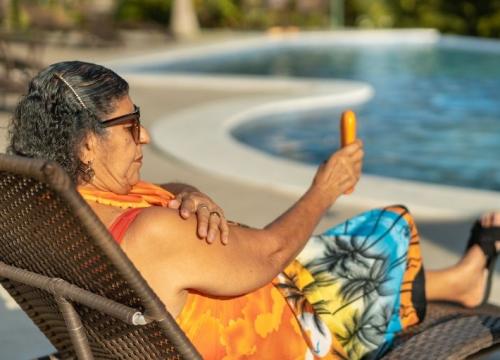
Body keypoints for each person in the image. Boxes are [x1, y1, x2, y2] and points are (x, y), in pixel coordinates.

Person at [8, 61, 500, 360]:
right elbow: (271, 252)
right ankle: (463, 279)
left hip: (199, 313)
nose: (147, 137)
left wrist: (190, 191)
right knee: (383, 233)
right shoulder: (155, 234)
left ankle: (459, 279)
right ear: (88, 144)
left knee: (333, 253)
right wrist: (324, 190)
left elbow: (158, 192)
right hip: (290, 340)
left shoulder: (57, 214)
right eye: (131, 124)